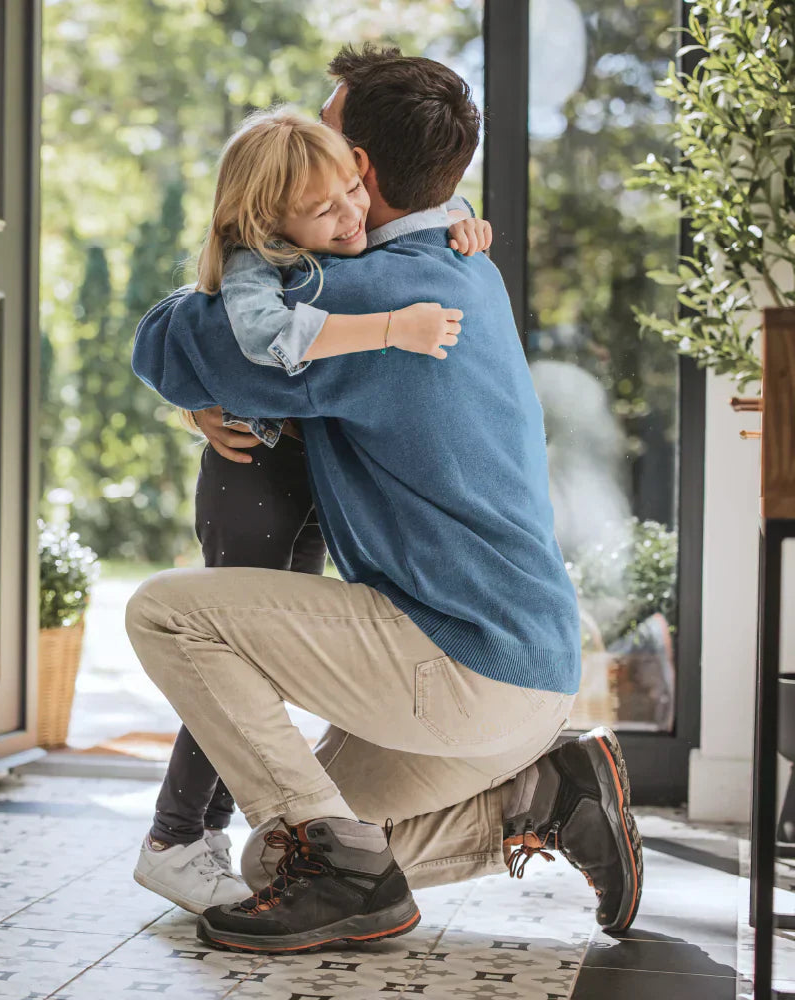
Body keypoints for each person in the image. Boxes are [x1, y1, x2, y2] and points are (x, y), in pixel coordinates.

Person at [127, 44, 642, 954]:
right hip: (526, 675)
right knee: (267, 863)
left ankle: (345, 870)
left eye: (323, 132)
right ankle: (548, 795)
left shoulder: (354, 294)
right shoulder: (461, 269)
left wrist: (215, 381)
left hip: (457, 664)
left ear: (355, 169)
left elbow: (167, 345)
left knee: (167, 614)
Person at [132, 106, 491, 915]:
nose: (351, 214)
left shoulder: (328, 229)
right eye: (326, 210)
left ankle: (197, 833)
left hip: (296, 482)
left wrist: (466, 222)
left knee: (254, 671)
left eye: (351, 195)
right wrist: (395, 328)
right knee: (227, 663)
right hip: (252, 478)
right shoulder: (258, 266)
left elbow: (427, 205)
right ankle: (175, 836)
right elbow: (263, 339)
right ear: (267, 221)